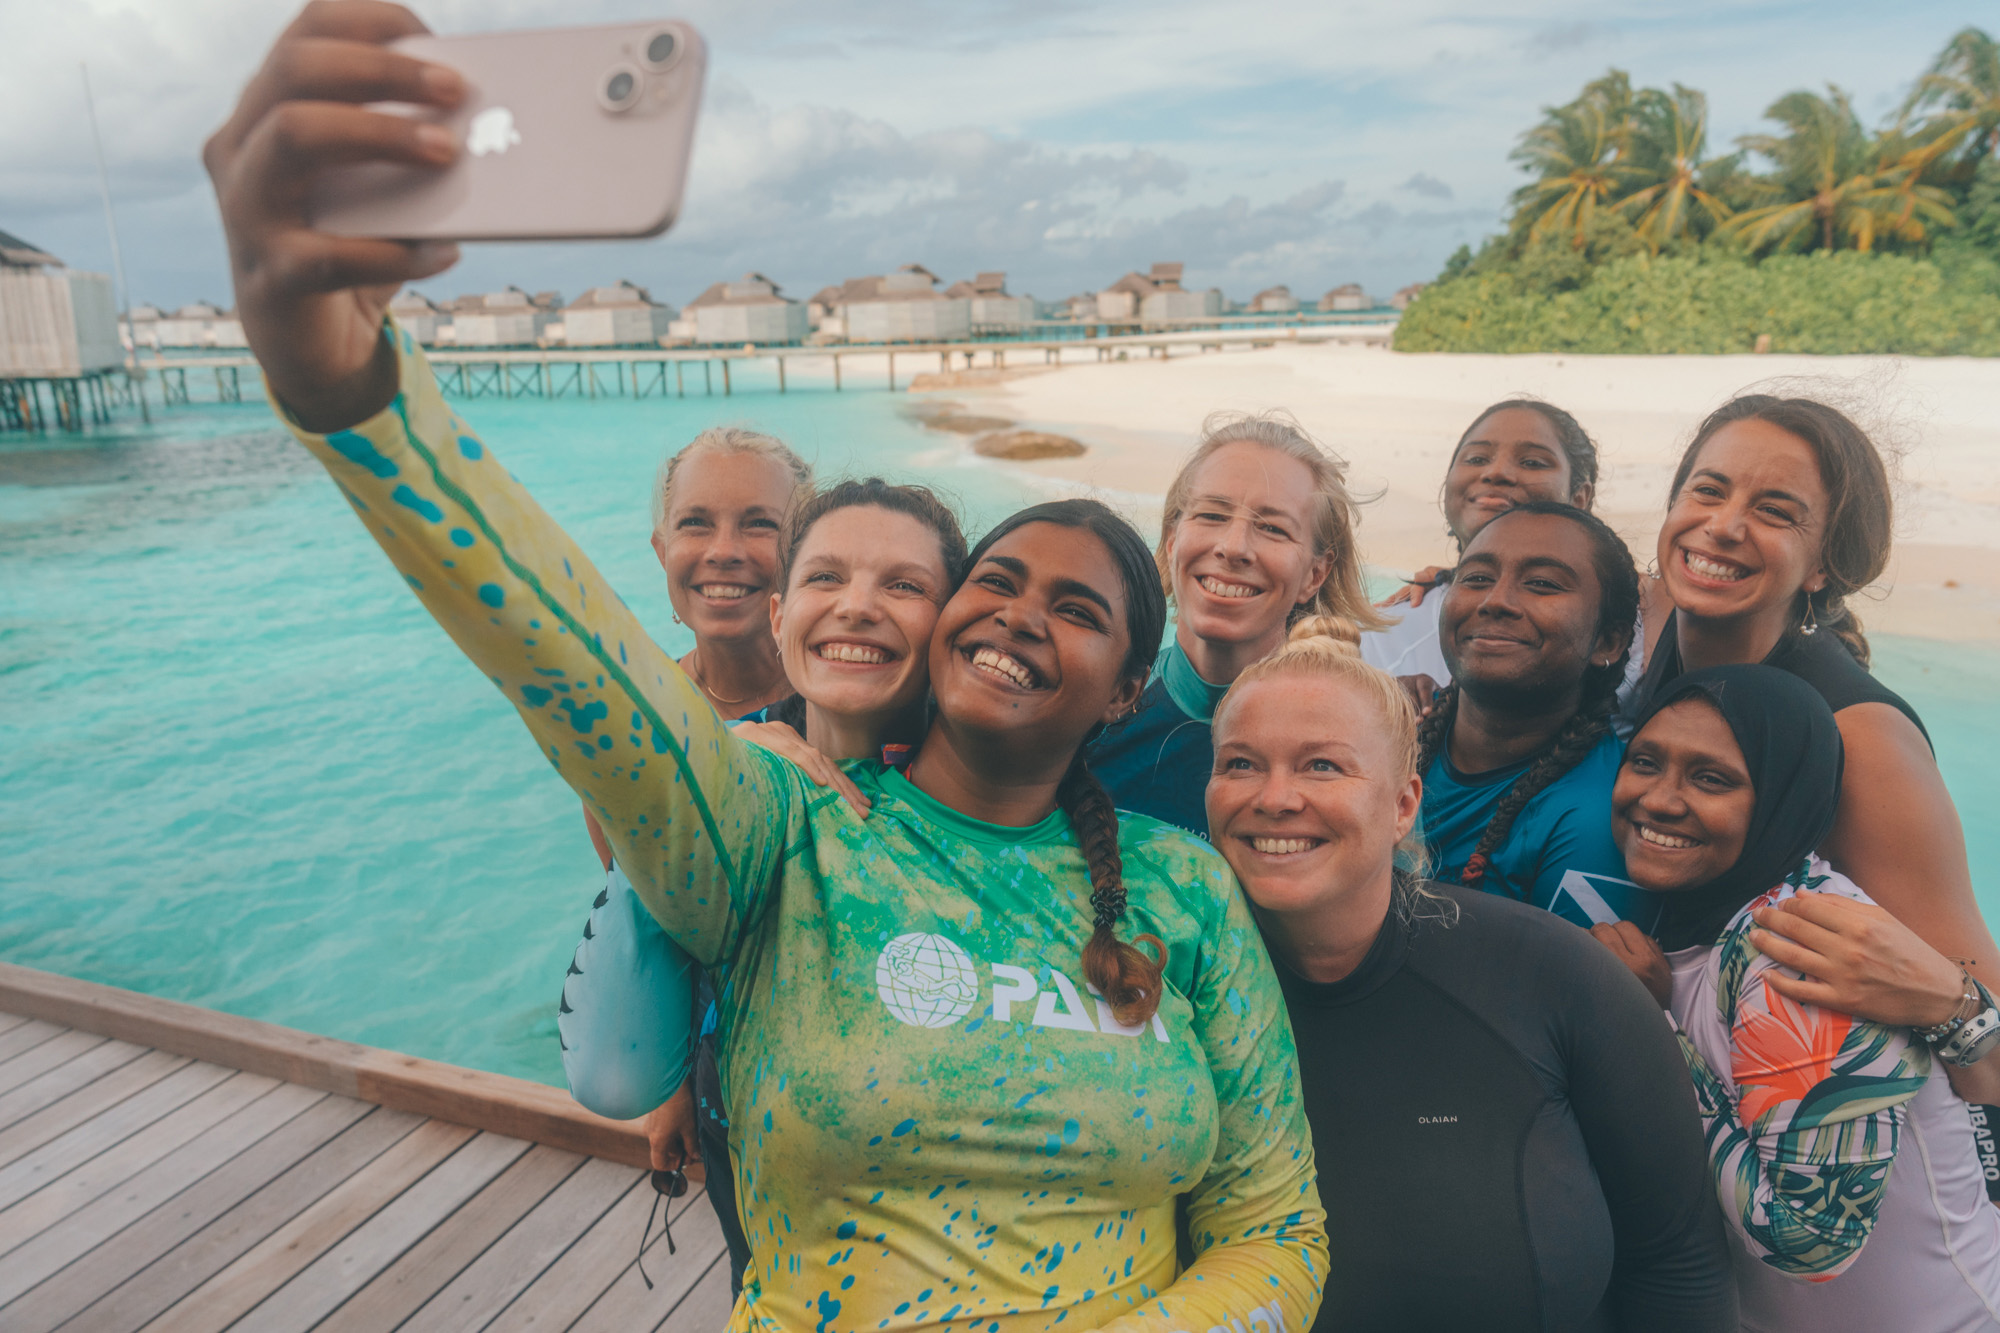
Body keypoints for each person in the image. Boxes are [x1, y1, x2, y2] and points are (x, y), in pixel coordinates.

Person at [206, 19, 1335, 1315]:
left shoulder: (1182, 891)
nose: (1020, 614)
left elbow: (1275, 1227)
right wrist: (354, 394)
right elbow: (574, 662)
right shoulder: (781, 832)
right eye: (997, 579)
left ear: (1128, 687)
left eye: (1076, 607)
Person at [1206, 616, 1737, 1332]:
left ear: (1403, 805)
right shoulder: (1175, 995)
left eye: (1321, 765)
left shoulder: (1555, 975)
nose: (1274, 796)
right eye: (1240, 763)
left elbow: (1680, 1264)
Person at [562, 477, 968, 1295]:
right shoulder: (726, 779)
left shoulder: (987, 797)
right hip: (744, 1125)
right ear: (780, 617)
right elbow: (610, 1070)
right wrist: (728, 762)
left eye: (904, 584)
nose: (857, 605)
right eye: (826, 576)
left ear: (951, 626)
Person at [1593, 665, 2000, 1332]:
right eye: (1645, 761)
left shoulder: (1803, 946)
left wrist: (1650, 1029)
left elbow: (1811, 1239)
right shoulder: (1706, 916)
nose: (1660, 799)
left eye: (1712, 777)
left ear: (1783, 797)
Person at [1629, 393, 2000, 1104]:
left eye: (1775, 511)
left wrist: (1951, 1005)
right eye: (1707, 490)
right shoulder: (1656, 618)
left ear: (1824, 565)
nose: (1723, 526)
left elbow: (1987, 1031)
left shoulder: (1862, 741)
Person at [1089, 411, 1380, 839]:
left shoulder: (1357, 738)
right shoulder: (1096, 712)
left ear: (1315, 574)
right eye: (1211, 515)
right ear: (1173, 541)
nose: (1233, 547)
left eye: (1272, 528)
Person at [1413, 500, 1659, 928]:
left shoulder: (1600, 819)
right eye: (1475, 578)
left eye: (1543, 584)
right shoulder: (1391, 736)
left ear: (1609, 642)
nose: (1495, 601)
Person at [1361, 398, 1624, 689]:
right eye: (1476, 459)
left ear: (1579, 497)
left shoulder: (1631, 633)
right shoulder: (1384, 636)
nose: (1496, 472)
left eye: (1532, 462)